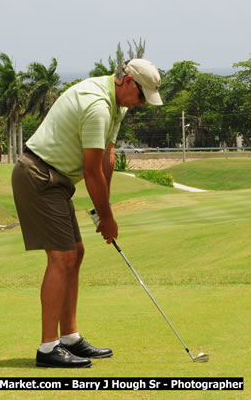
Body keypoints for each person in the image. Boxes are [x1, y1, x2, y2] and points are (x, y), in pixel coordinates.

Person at [11, 58, 163, 368]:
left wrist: (102, 206)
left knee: (76, 253)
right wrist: (107, 218)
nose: (142, 104)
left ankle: (69, 338)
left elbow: (106, 157)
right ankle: (48, 348)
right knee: (62, 257)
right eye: (142, 96)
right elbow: (91, 170)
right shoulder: (97, 106)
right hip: (39, 175)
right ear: (128, 82)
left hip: (57, 179)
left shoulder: (116, 105)